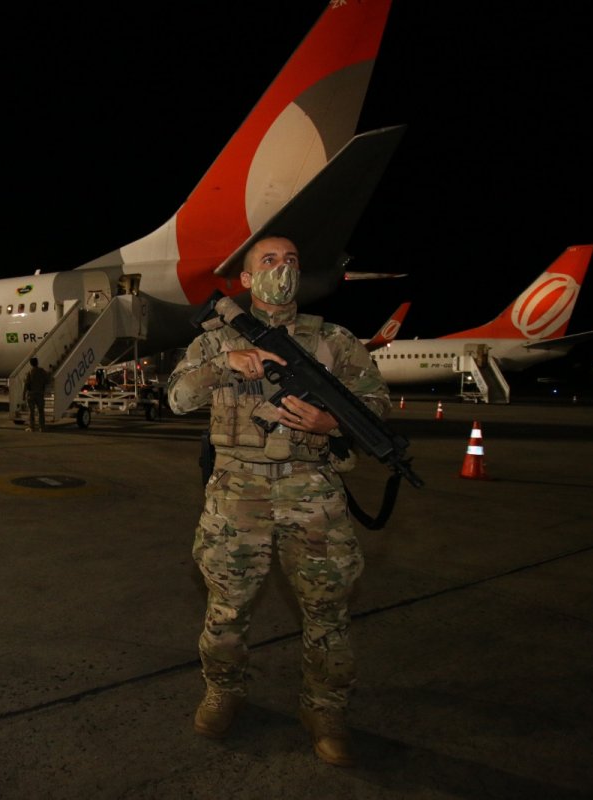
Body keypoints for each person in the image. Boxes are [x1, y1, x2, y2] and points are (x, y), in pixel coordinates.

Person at [165, 235, 390, 767]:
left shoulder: (334, 338)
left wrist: (331, 420)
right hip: (235, 494)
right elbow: (177, 399)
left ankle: (325, 708)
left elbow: (376, 403)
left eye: (291, 260)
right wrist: (227, 362)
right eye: (269, 260)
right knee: (227, 609)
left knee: (327, 612)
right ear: (245, 279)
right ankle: (224, 690)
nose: (282, 268)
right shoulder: (213, 339)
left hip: (313, 491)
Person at [24, 357, 48, 432]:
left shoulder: (30, 372)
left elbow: (26, 384)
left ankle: (32, 427)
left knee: (31, 412)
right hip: (40, 394)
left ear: (31, 364)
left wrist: (23, 394)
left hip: (31, 394)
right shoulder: (42, 371)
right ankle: (42, 427)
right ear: (37, 363)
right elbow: (47, 380)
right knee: (41, 411)